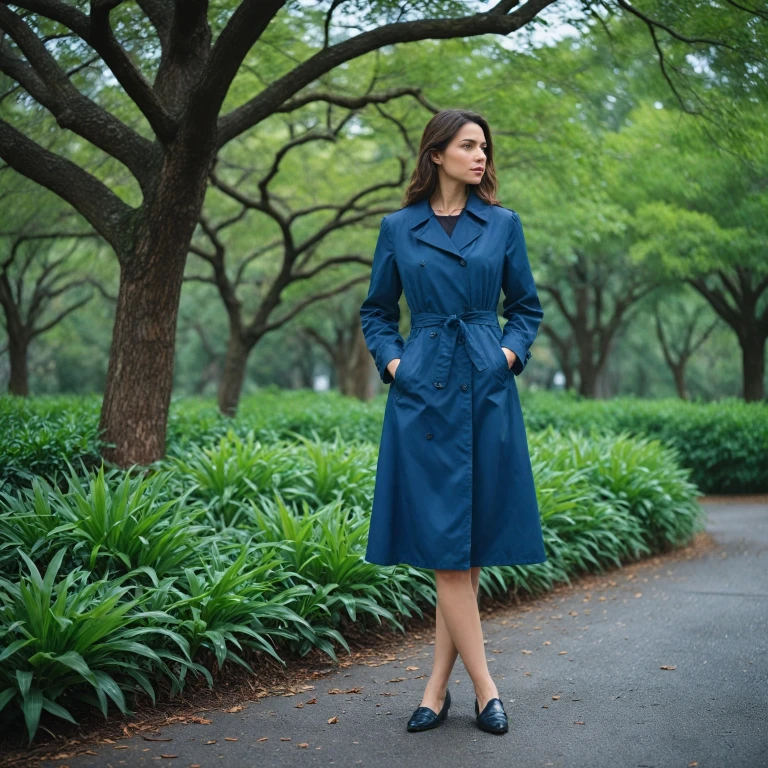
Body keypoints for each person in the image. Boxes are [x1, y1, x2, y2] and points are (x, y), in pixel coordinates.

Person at [359, 109, 547, 735]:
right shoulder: (398, 227)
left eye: (485, 147)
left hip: (486, 389)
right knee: (447, 552)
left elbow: (525, 307)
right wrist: (394, 364)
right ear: (436, 153)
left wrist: (508, 355)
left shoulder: (503, 225)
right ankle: (487, 690)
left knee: (461, 557)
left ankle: (435, 690)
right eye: (468, 145)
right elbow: (377, 311)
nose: (481, 156)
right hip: (423, 393)